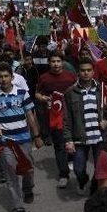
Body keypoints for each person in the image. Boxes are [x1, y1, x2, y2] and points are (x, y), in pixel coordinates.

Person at [0, 63, 43, 212]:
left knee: (28, 168)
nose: (3, 79)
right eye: (0, 77)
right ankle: (18, 209)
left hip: (24, 138)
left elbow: (30, 115)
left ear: (12, 77)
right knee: (10, 173)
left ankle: (28, 188)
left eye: (6, 76)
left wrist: (37, 135)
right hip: (5, 141)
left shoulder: (22, 93)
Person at [64, 57, 106, 196]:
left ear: (93, 72)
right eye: (83, 70)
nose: (86, 73)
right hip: (80, 138)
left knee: (100, 168)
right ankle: (82, 180)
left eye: (89, 70)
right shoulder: (70, 92)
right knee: (79, 168)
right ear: (78, 72)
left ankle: (94, 187)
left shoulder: (101, 89)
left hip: (99, 137)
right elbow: (66, 118)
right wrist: (68, 140)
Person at [35, 51, 77, 188]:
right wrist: (44, 98)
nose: (56, 64)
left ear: (62, 63)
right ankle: (63, 174)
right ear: (49, 63)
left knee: (71, 142)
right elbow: (37, 94)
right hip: (54, 117)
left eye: (58, 61)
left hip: (71, 116)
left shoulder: (71, 76)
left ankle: (71, 160)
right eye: (53, 61)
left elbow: (78, 91)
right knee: (59, 146)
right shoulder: (44, 78)